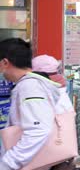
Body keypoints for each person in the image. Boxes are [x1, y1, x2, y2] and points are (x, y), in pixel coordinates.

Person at [0, 38, 62, 169]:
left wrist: (8, 163)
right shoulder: (29, 84)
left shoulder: (30, 87)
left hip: (33, 164)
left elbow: (38, 130)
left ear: (5, 62)